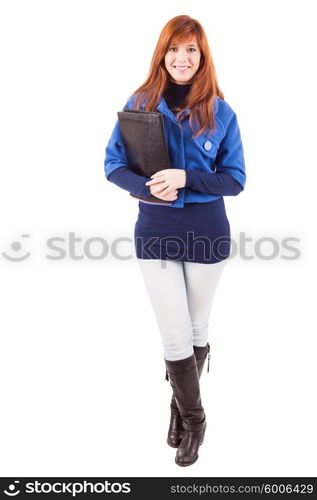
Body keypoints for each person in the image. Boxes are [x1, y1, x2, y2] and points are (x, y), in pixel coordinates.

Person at [104, 15, 246, 467]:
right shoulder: (140, 103)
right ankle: (197, 421)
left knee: (198, 327)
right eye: (173, 49)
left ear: (202, 57)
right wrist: (148, 187)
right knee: (174, 333)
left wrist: (187, 178)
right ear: (162, 54)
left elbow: (236, 180)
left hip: (207, 234)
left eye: (191, 50)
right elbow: (113, 164)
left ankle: (178, 408)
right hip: (156, 233)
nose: (181, 58)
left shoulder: (222, 113)